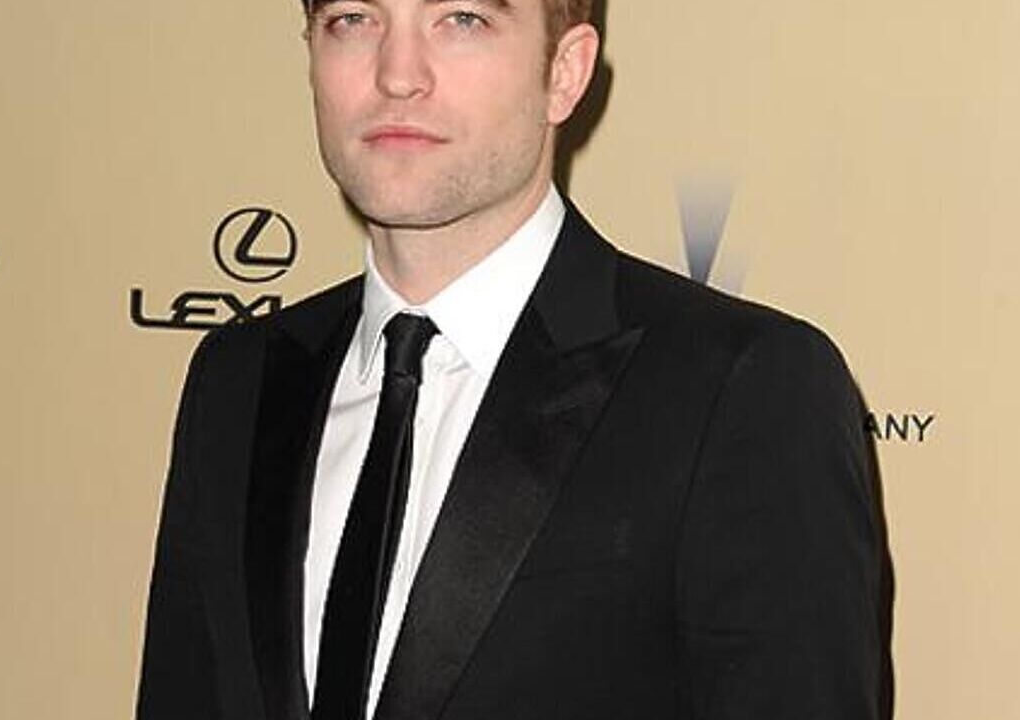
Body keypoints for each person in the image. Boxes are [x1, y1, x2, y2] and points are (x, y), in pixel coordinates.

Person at [137, 0, 892, 718]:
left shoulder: (743, 389)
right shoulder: (237, 379)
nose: (398, 74)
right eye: (354, 19)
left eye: (462, 19)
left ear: (565, 71)